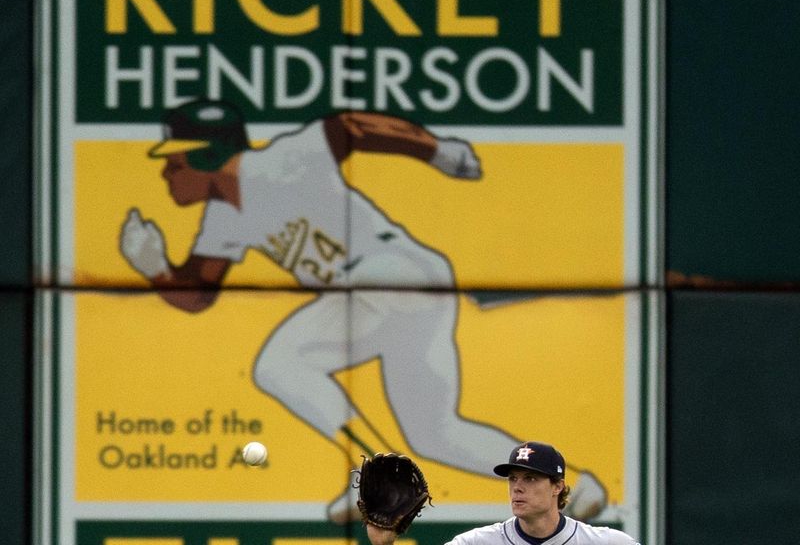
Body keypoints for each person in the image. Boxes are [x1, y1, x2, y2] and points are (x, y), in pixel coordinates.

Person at [119, 98, 608, 523]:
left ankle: (377, 478)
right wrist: (157, 269)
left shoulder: (283, 160)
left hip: (391, 273)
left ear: (206, 155)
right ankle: (576, 487)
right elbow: (199, 295)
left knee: (279, 364)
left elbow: (353, 126)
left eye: (174, 159)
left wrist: (434, 149)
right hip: (410, 287)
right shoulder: (223, 216)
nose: (166, 171)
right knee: (435, 434)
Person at [366, 442, 640, 545]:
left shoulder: (608, 542)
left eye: (531, 478)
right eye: (513, 479)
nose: (517, 487)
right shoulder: (476, 543)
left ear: (558, 487)